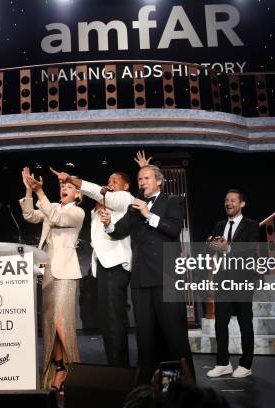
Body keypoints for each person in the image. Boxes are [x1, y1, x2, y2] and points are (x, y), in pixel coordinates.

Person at [48, 150, 151, 367]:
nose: (110, 183)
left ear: (125, 186)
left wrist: (71, 179)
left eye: (115, 181)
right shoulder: (102, 205)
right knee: (108, 320)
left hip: (116, 264)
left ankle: (119, 370)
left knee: (114, 319)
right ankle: (116, 366)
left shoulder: (124, 198)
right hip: (104, 265)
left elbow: (102, 194)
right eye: (109, 180)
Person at [100, 165, 194, 384]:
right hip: (141, 279)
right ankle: (147, 391)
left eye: (146, 178)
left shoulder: (172, 201)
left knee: (175, 336)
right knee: (145, 339)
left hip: (166, 277)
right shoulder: (134, 206)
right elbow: (120, 230)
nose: (142, 182)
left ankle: (187, 389)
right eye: (140, 179)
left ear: (159, 181)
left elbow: (173, 229)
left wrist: (148, 213)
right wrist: (108, 225)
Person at [18, 167, 85, 391]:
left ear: (78, 194)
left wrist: (40, 193)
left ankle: (74, 370)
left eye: (69, 187)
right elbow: (30, 215)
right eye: (62, 186)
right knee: (50, 325)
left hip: (66, 272)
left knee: (62, 322)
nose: (64, 188)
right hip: (48, 271)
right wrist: (29, 192)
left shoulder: (77, 213)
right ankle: (58, 368)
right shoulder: (52, 206)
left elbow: (56, 218)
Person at [205, 190, 259, 379]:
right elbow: (212, 254)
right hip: (223, 281)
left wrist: (227, 248)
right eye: (226, 200)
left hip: (243, 281)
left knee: (245, 322)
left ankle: (246, 364)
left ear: (242, 204)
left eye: (233, 200)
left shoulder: (251, 225)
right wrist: (211, 280)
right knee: (220, 323)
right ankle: (223, 363)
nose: (228, 203)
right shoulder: (219, 225)